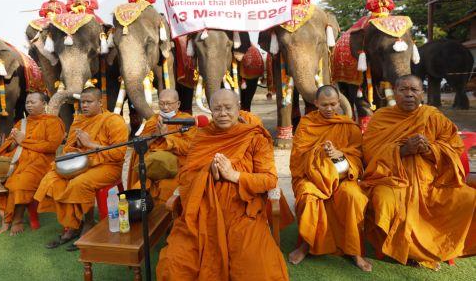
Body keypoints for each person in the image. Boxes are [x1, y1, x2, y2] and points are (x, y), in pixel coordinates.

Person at [157, 89, 289, 280]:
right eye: (217, 109)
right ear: (210, 110)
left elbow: (269, 179)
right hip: (202, 210)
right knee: (174, 263)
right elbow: (185, 177)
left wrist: (234, 175)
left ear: (238, 108)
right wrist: (208, 172)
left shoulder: (255, 137)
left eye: (228, 108)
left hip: (242, 212)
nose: (223, 113)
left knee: (258, 269)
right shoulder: (202, 136)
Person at [361, 75, 475, 270]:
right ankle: (403, 250)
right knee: (384, 199)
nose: (409, 94)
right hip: (392, 180)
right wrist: (402, 150)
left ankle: (448, 247)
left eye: (414, 90)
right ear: (394, 93)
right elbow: (370, 153)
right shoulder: (381, 117)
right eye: (403, 90)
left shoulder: (433, 116)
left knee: (469, 197)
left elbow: (455, 148)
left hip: (432, 181)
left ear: (422, 93)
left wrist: (430, 149)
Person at [288, 85, 372, 271]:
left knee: (354, 196)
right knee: (307, 195)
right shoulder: (306, 124)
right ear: (316, 103)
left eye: (333, 104)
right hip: (312, 177)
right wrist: (319, 155)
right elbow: (298, 157)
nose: (329, 108)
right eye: (324, 104)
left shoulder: (348, 126)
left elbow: (358, 160)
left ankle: (354, 251)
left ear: (339, 103)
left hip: (343, 177)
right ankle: (306, 244)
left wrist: (338, 156)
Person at [35, 87, 128, 250]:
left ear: (100, 102)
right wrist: (77, 146)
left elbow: (119, 153)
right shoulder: (78, 121)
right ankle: (72, 225)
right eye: (82, 102)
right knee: (51, 180)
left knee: (79, 183)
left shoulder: (114, 120)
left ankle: (89, 223)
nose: (84, 105)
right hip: (81, 164)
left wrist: (90, 144)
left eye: (88, 102)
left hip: (108, 166)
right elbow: (67, 150)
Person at [0, 93, 65, 236]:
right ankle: (5, 211)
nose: (29, 105)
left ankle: (16, 220)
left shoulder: (54, 121)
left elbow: (51, 146)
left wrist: (23, 141)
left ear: (44, 104)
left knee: (19, 183)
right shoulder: (21, 123)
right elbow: (9, 147)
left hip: (38, 164)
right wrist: (13, 142)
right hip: (13, 163)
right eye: (27, 102)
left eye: (33, 102)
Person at [127, 89, 197, 205]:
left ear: (178, 104)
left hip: (176, 169)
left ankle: (166, 221)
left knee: (166, 189)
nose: (165, 107)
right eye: (161, 103)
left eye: (168, 104)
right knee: (138, 190)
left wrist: (167, 136)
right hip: (152, 169)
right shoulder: (153, 121)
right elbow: (139, 148)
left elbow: (189, 147)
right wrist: (156, 134)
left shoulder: (187, 120)